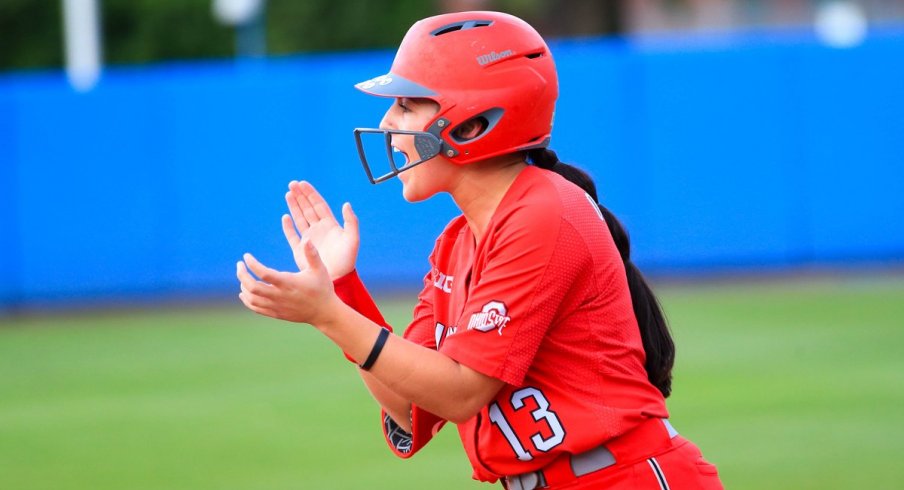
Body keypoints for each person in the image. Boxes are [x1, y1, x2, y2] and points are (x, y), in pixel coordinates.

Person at [236, 10, 723, 489]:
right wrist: (341, 289)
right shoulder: (457, 240)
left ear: (473, 124)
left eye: (407, 104)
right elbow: (412, 406)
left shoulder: (543, 212)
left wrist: (327, 315)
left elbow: (462, 390)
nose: (387, 122)